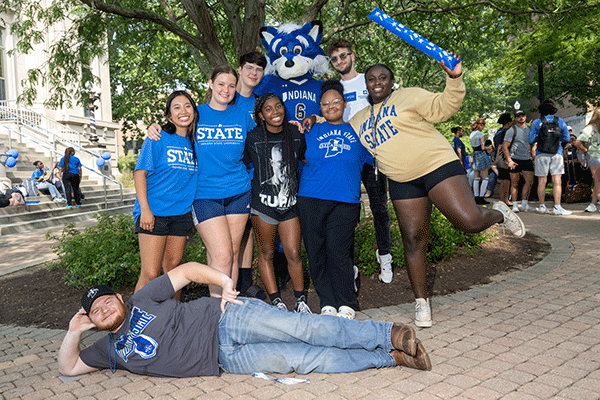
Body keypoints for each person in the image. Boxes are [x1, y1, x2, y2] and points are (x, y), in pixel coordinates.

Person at [303, 57, 526, 328]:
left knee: (468, 221)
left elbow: (445, 106)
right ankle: (421, 302)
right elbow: (334, 125)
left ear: (392, 82)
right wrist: (314, 117)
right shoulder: (358, 121)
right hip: (402, 180)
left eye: (382, 77)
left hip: (436, 166)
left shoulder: (408, 97)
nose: (377, 82)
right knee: (412, 240)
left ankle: (499, 213)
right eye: (371, 79)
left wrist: (454, 78)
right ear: (365, 85)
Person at [57, 262, 431, 377]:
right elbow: (69, 367)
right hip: (224, 361)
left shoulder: (142, 298)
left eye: (106, 301)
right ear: (92, 320)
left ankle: (390, 333)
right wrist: (74, 331)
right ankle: (389, 356)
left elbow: (185, 272)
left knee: (306, 328)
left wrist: (222, 282)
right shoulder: (108, 348)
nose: (103, 310)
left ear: (119, 298)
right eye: (96, 312)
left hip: (225, 321)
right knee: (304, 359)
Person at [147, 66, 255, 296]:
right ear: (210, 84)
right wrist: (153, 128)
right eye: (221, 84)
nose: (226, 90)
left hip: (239, 191)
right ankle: (215, 310)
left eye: (231, 85)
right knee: (222, 255)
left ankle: (226, 313)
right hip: (205, 194)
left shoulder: (242, 116)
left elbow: (265, 137)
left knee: (233, 253)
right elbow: (173, 126)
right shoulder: (197, 114)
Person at [297, 80, 372, 319]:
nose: (331, 106)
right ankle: (327, 302)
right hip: (310, 198)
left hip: (345, 200)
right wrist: (310, 118)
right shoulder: (310, 130)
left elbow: (381, 156)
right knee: (316, 252)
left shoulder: (358, 132)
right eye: (325, 103)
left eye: (336, 101)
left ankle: (347, 302)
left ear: (344, 103)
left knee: (339, 252)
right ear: (320, 107)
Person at [327, 38, 393, 284]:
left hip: (374, 153)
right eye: (335, 59)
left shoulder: (370, 80)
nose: (340, 61)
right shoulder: (332, 87)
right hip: (346, 155)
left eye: (343, 55)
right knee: (347, 212)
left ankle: (384, 255)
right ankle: (349, 266)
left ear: (352, 56)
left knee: (380, 207)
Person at [244, 93, 310, 312]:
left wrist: (314, 119)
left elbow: (305, 158)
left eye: (278, 106)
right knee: (267, 254)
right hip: (263, 207)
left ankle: (301, 301)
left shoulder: (295, 134)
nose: (275, 112)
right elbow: (242, 163)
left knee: (293, 253)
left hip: (290, 206)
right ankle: (276, 302)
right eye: (268, 109)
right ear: (261, 115)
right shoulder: (252, 138)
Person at [132, 91, 199, 297]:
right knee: (150, 273)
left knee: (174, 271)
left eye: (187, 106)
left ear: (194, 111)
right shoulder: (158, 138)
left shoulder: (198, 142)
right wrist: (145, 210)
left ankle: (173, 320)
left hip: (181, 215)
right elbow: (139, 174)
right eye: (176, 107)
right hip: (155, 212)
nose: (183, 111)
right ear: (169, 116)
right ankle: (133, 326)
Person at [235, 52, 269, 300]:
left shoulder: (259, 105)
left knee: (246, 230)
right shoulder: (225, 98)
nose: (253, 73)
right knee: (230, 236)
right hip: (226, 177)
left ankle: (245, 280)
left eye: (259, 69)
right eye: (249, 67)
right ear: (240, 69)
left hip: (252, 176)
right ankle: (228, 281)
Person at [528, 99, 572, 215]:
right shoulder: (560, 121)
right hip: (556, 153)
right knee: (557, 181)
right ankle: (557, 207)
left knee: (542, 181)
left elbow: (531, 140)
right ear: (553, 109)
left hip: (541, 154)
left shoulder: (537, 122)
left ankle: (542, 206)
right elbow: (567, 138)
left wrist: (540, 138)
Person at [503, 110, 534, 212]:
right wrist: (509, 160)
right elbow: (505, 147)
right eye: (518, 116)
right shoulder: (511, 130)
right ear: (515, 118)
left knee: (529, 181)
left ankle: (525, 204)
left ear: (525, 117)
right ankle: (515, 205)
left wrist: (533, 156)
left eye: (523, 116)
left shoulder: (530, 129)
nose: (521, 118)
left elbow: (532, 144)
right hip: (515, 159)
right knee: (515, 183)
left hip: (527, 159)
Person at [573, 107, 600, 213]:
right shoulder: (590, 128)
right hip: (594, 156)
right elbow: (577, 142)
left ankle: (593, 204)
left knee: (598, 182)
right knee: (598, 181)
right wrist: (587, 150)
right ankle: (593, 204)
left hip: (595, 156)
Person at [492, 113, 513, 206]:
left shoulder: (498, 132)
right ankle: (505, 199)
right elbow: (504, 146)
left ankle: (503, 199)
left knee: (504, 179)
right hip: (504, 157)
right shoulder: (506, 132)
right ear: (508, 123)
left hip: (498, 157)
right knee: (506, 179)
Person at [469, 119, 490, 204]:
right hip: (481, 155)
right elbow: (482, 147)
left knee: (476, 177)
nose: (483, 127)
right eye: (483, 125)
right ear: (480, 125)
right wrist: (487, 148)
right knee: (485, 177)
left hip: (475, 154)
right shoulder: (481, 134)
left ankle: (476, 196)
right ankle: (481, 197)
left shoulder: (471, 134)